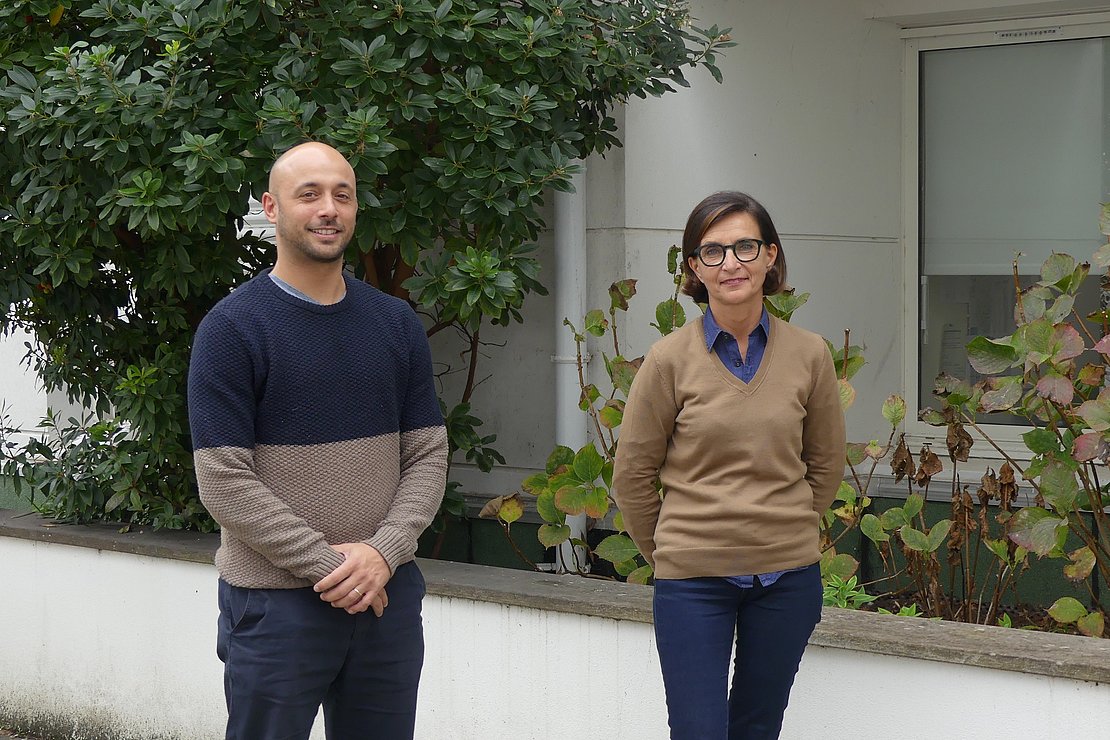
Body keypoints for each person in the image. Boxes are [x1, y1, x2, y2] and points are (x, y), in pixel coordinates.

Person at [187, 141, 448, 740]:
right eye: (309, 194)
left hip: (387, 595)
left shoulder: (395, 323)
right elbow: (224, 482)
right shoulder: (232, 330)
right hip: (276, 607)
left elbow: (428, 455)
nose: (328, 208)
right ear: (271, 209)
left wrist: (382, 554)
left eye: (342, 195)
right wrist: (337, 568)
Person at [612, 191, 845, 740]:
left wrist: (778, 526)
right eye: (712, 252)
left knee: (757, 728)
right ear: (694, 268)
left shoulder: (810, 355)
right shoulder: (668, 360)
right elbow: (633, 476)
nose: (731, 263)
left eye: (744, 246)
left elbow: (826, 464)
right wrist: (676, 549)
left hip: (786, 580)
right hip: (693, 583)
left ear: (770, 256)